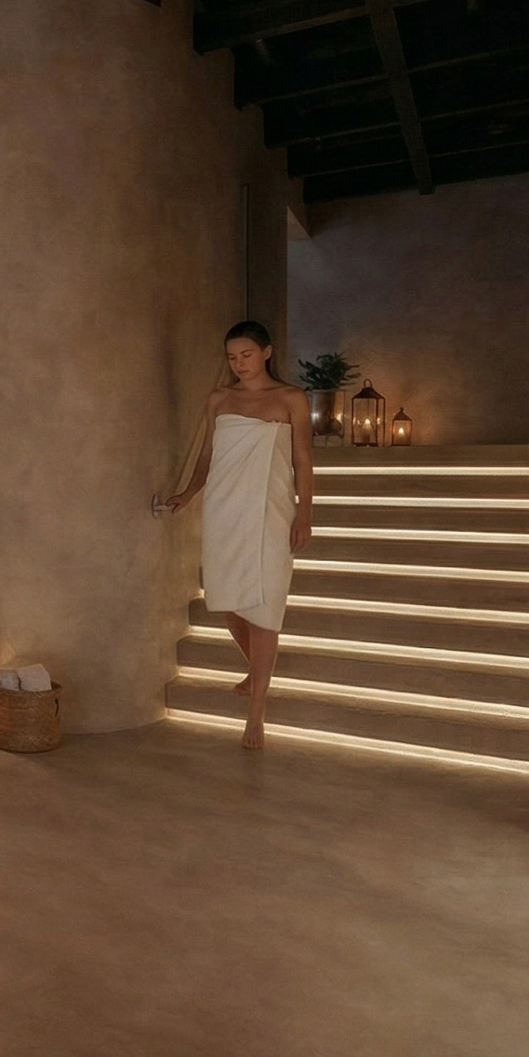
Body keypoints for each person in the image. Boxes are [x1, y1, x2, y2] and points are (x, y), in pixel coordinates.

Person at [165, 321, 314, 750]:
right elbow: (208, 454)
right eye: (232, 357)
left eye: (246, 355)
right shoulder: (219, 399)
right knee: (227, 599)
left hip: (270, 510)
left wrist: (304, 513)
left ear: (266, 352)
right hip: (224, 508)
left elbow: (302, 460)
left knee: (263, 604)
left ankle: (256, 716)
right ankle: (257, 670)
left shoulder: (289, 399)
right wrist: (190, 492)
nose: (239, 364)